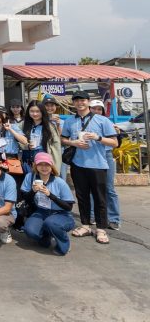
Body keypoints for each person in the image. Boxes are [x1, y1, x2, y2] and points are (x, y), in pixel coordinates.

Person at [62, 91, 117, 244]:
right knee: (82, 196)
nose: (80, 103)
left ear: (88, 101)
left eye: (83, 100)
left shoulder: (102, 120)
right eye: (76, 101)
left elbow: (114, 142)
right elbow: (63, 139)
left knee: (100, 198)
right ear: (73, 103)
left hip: (98, 165)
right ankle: (85, 225)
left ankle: (101, 229)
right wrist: (73, 142)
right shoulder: (69, 121)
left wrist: (97, 137)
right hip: (77, 165)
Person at [21, 152, 76, 255]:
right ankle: (46, 236)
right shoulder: (30, 177)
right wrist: (33, 191)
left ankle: (64, 244)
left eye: (47, 164)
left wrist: (51, 195)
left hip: (61, 214)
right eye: (40, 164)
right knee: (30, 231)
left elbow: (68, 207)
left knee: (51, 223)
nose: (44, 167)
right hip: (41, 211)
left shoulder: (59, 182)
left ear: (51, 166)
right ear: (35, 166)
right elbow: (25, 198)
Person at [89, 99, 121, 230]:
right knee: (92, 187)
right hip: (92, 156)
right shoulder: (85, 122)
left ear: (103, 111)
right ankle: (92, 215)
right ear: (89, 109)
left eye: (99, 109)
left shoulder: (108, 122)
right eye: (94, 108)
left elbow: (116, 144)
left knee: (109, 188)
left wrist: (118, 134)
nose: (97, 111)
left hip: (106, 155)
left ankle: (113, 218)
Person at [0, 106, 27, 189]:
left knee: (14, 182)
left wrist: (10, 129)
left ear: (1, 115)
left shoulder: (12, 126)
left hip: (12, 158)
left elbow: (24, 141)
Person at [22, 101, 60, 174]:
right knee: (28, 178)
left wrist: (55, 164)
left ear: (42, 111)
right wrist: (26, 145)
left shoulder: (49, 126)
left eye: (37, 111)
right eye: (32, 111)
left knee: (41, 178)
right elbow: (17, 138)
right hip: (27, 158)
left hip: (43, 158)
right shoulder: (23, 124)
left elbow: (56, 145)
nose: (35, 114)